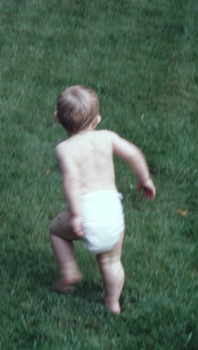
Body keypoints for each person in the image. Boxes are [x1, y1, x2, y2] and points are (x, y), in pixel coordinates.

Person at [49, 85, 156, 314]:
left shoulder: (65, 148)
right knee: (111, 261)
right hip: (111, 210)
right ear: (96, 120)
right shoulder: (107, 137)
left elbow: (71, 180)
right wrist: (144, 178)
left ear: (57, 118)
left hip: (86, 211)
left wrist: (77, 214)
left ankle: (69, 270)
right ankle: (112, 302)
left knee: (56, 231)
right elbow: (133, 153)